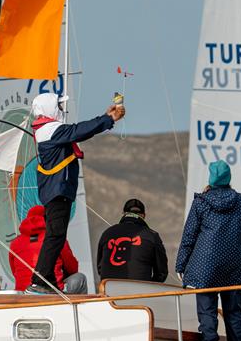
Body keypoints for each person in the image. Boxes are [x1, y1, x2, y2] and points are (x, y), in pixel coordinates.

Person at [25, 93, 125, 294]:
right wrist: (108, 119)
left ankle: (46, 279)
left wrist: (105, 117)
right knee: (55, 236)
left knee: (56, 235)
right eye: (59, 107)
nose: (62, 111)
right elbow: (80, 130)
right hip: (58, 191)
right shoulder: (50, 129)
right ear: (49, 108)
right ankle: (40, 279)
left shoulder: (46, 129)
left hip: (57, 190)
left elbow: (78, 131)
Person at [175, 160, 241, 341]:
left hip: (205, 266)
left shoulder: (201, 202)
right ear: (228, 178)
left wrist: (181, 264)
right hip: (234, 265)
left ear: (211, 178)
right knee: (234, 311)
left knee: (207, 311)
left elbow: (189, 236)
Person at [9, 205, 88, 294]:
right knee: (80, 278)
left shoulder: (14, 243)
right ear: (48, 219)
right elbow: (72, 268)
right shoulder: (54, 239)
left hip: (24, 292)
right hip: (49, 290)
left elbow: (14, 272)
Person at [97, 198, 168, 283]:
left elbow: (100, 268)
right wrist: (149, 287)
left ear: (123, 214)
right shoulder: (152, 236)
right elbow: (161, 273)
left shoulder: (107, 233)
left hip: (109, 290)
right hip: (139, 292)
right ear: (143, 216)